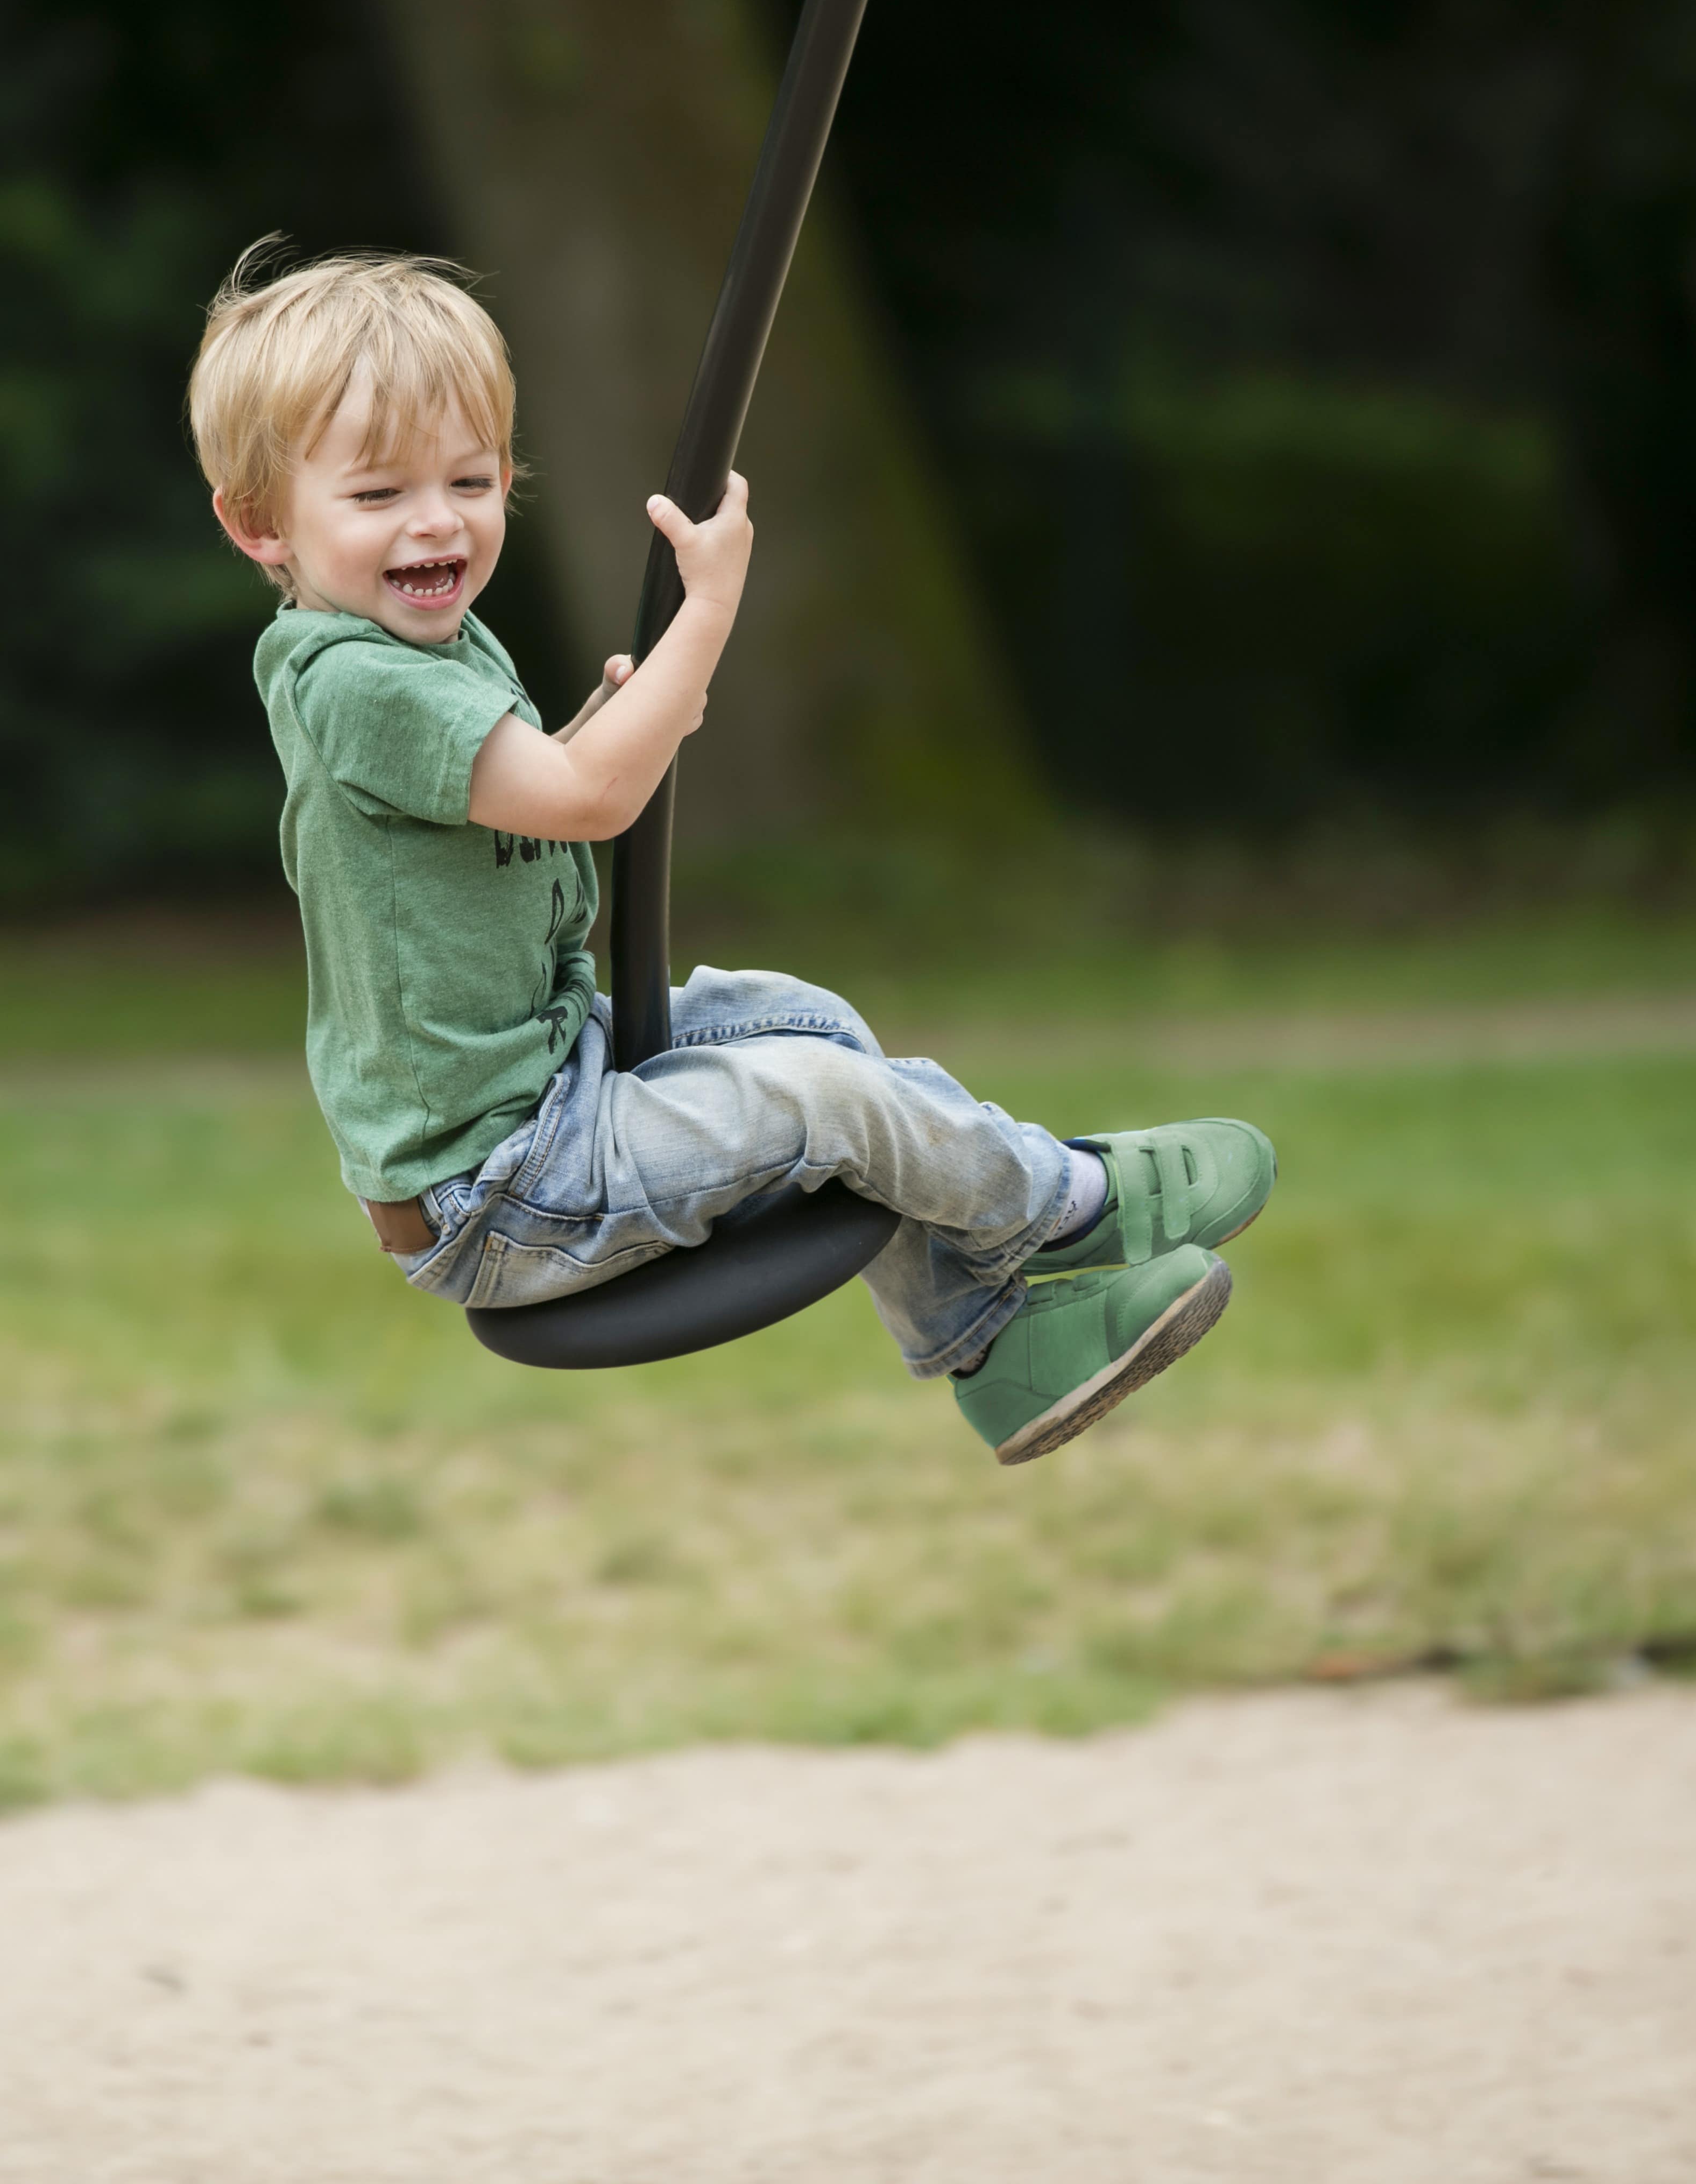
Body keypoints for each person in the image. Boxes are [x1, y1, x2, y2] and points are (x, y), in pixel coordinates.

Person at [188, 245, 1274, 1464]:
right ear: (260, 527)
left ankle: (997, 1343)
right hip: (498, 1189)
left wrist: (601, 730)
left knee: (802, 1024)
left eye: (471, 477)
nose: (438, 519)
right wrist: (701, 621)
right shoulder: (353, 676)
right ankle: (1060, 1205)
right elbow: (590, 803)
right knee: (821, 1103)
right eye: (378, 496)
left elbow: (521, 799)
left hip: (556, 1075)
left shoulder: (417, 645)